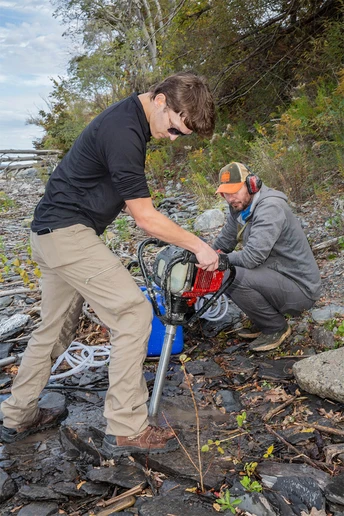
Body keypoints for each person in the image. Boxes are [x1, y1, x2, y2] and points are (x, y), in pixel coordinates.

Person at [0, 72, 219, 457]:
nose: (172, 138)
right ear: (161, 100)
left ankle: (17, 416)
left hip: (52, 232)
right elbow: (145, 217)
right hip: (67, 233)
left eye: (180, 135)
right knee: (133, 312)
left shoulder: (129, 122)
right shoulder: (123, 130)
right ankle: (127, 427)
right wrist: (198, 245)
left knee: (54, 331)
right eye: (174, 129)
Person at [214, 162, 321, 352]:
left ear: (251, 184)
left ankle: (275, 328)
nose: (230, 198)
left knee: (230, 275)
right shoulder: (239, 207)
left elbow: (251, 258)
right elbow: (223, 244)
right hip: (275, 275)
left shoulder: (270, 207)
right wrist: (203, 256)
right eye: (225, 194)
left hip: (300, 288)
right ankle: (264, 318)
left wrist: (218, 261)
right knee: (224, 269)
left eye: (234, 191)